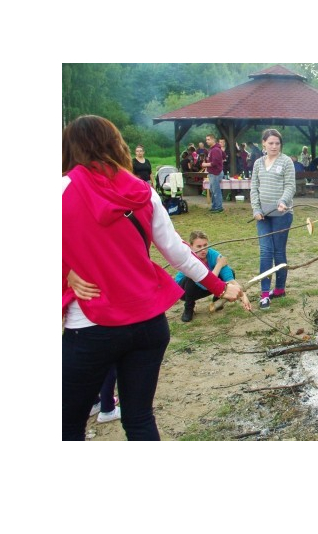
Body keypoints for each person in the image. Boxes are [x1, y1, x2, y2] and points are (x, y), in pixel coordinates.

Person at [62, 115, 251, 441]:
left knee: (66, 426)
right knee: (139, 419)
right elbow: (179, 254)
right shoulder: (143, 192)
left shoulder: (61, 191)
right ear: (115, 144)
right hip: (148, 326)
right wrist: (219, 287)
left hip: (92, 327)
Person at [251, 128, 296, 309]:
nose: (274, 146)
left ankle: (279, 288)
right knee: (265, 252)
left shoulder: (286, 162)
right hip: (263, 216)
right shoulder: (258, 163)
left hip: (282, 214)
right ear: (264, 143)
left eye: (277, 143)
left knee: (279, 252)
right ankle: (264, 294)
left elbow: (290, 186)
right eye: (270, 143)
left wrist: (283, 201)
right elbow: (254, 187)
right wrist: (255, 209)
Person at [174, 230, 237, 322]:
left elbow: (227, 274)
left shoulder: (212, 254)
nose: (203, 249)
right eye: (199, 246)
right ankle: (189, 308)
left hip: (204, 286)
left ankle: (217, 300)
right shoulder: (190, 258)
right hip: (184, 291)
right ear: (191, 246)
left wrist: (238, 288)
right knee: (191, 278)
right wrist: (219, 265)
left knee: (231, 271)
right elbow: (205, 283)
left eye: (205, 245)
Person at [205, 133, 225, 213]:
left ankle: (219, 207)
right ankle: (214, 206)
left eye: (208, 139)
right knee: (213, 191)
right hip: (213, 172)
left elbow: (215, 163)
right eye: (206, 139)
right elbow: (224, 156)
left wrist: (205, 164)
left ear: (213, 140)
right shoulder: (214, 149)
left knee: (216, 191)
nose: (207, 141)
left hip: (216, 173)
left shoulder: (216, 149)